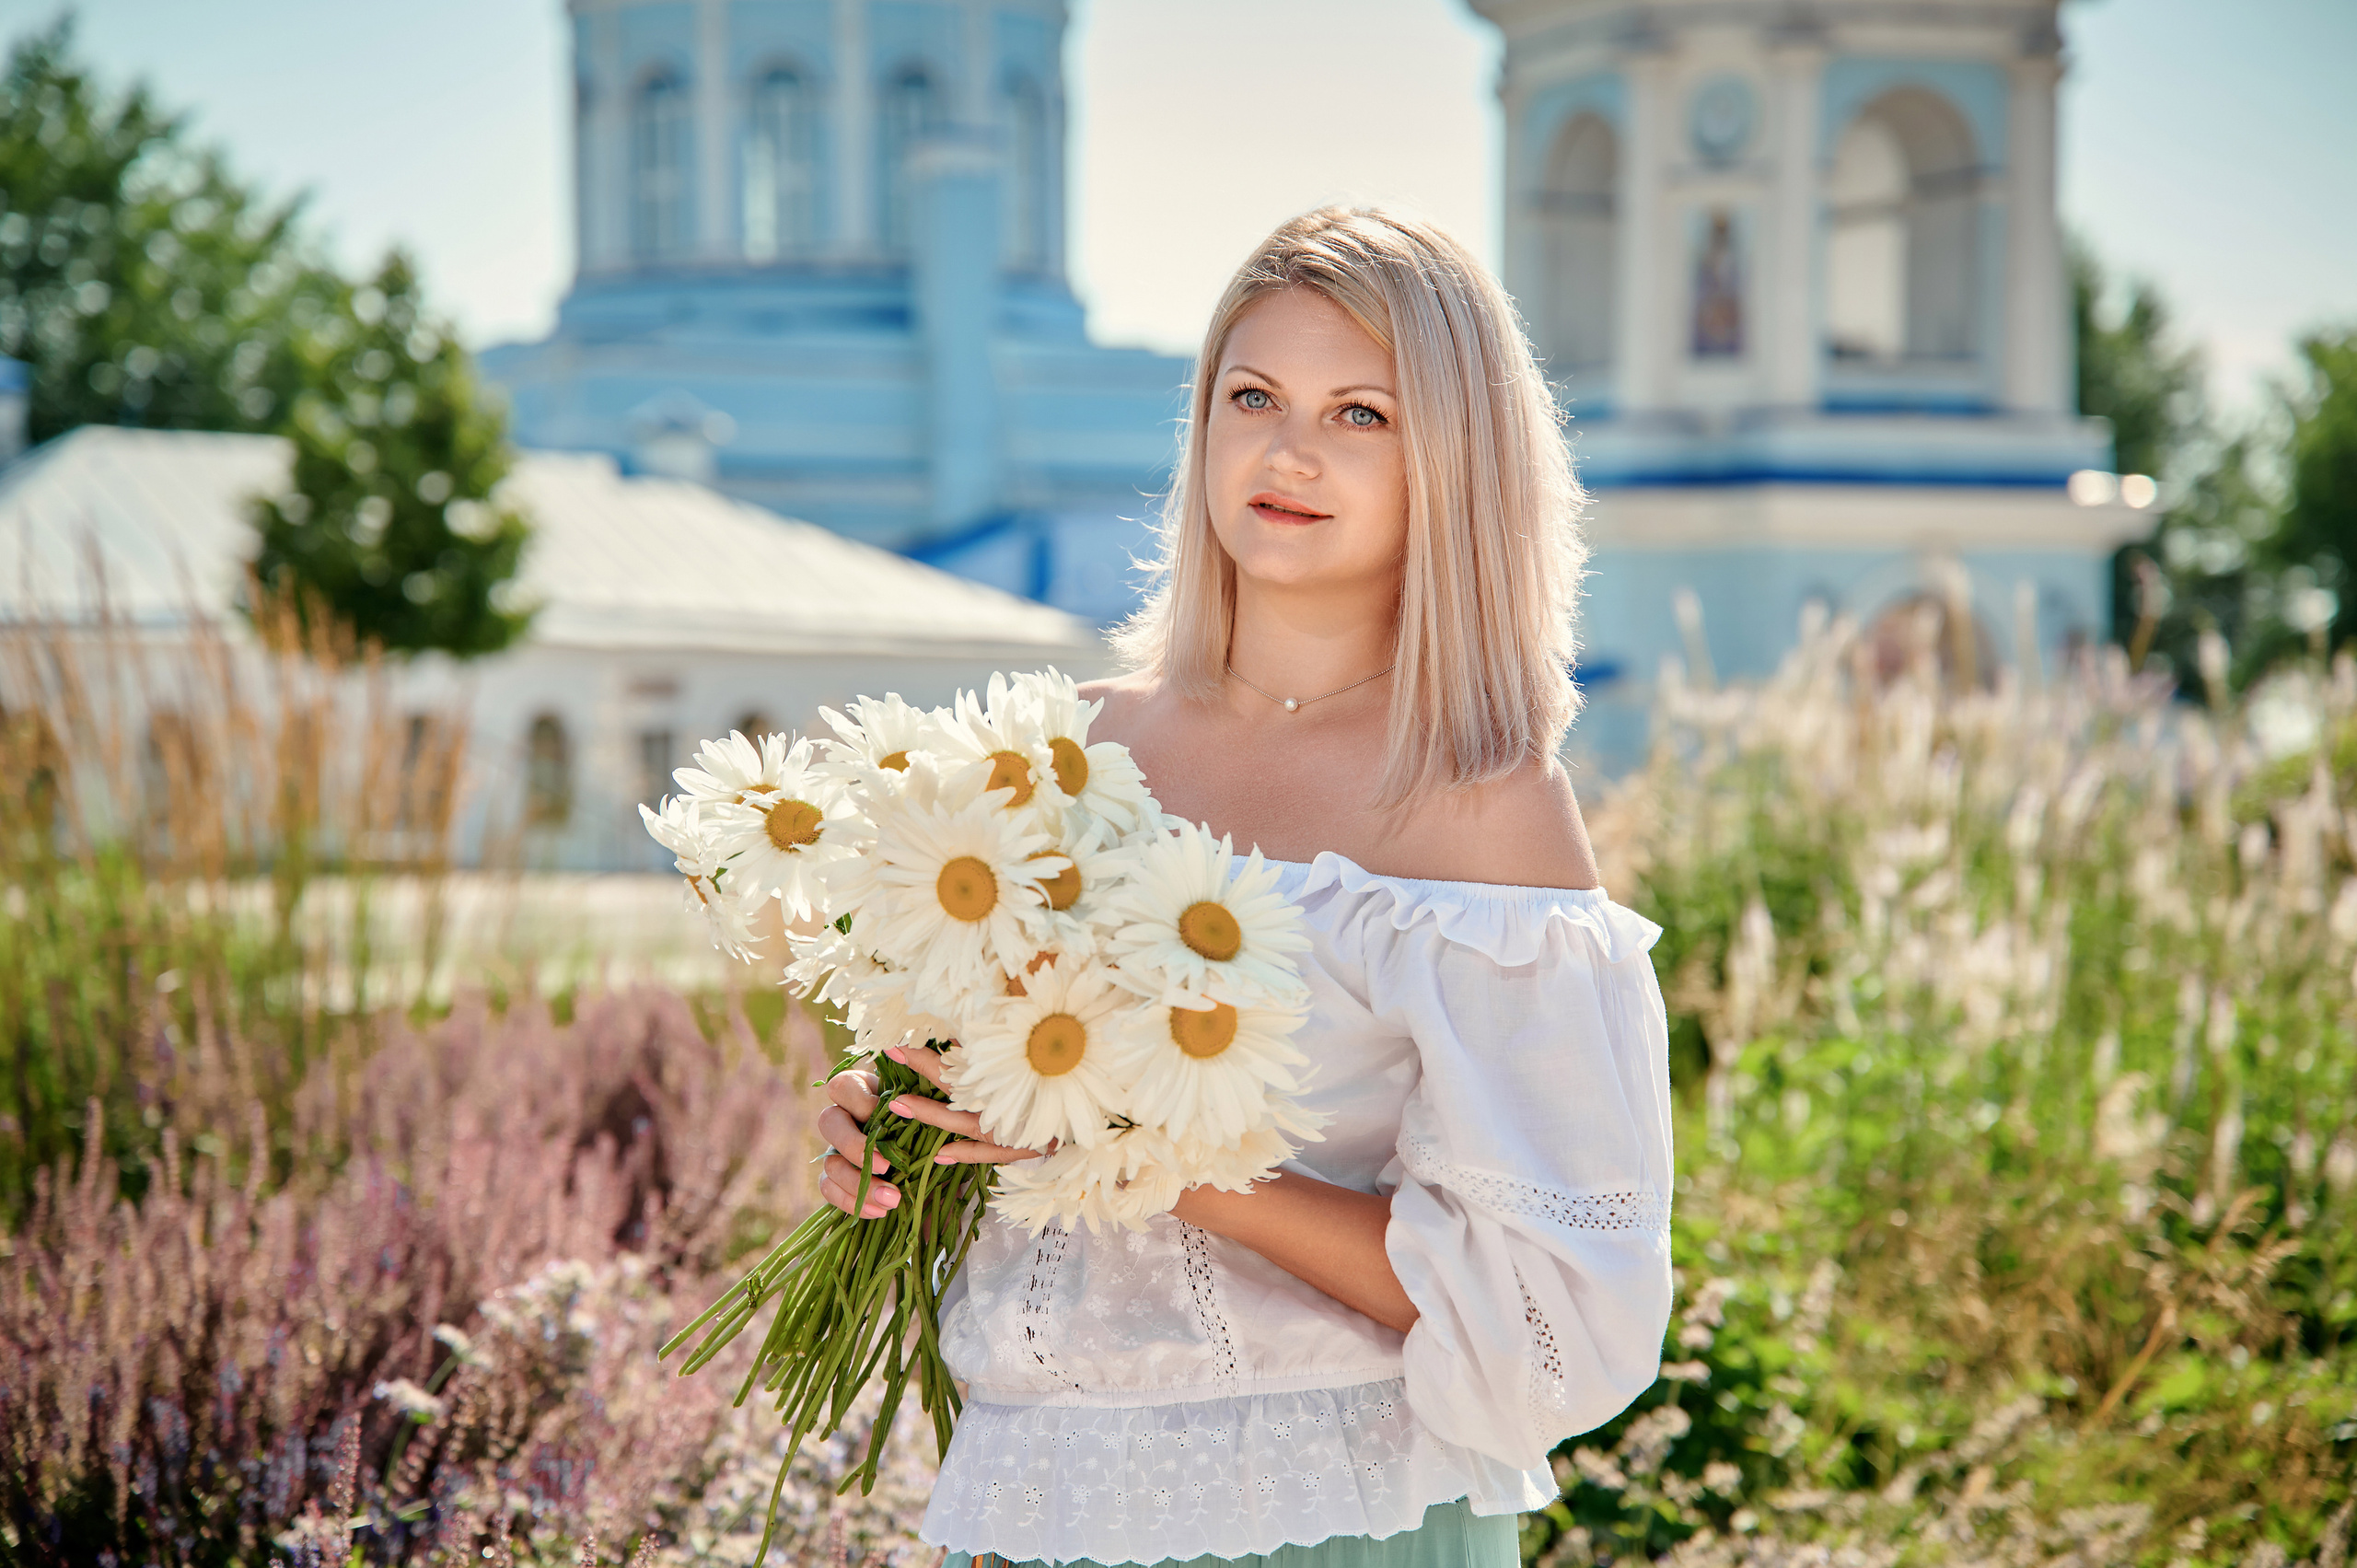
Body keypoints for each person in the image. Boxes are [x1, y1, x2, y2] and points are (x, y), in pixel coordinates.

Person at [819, 206, 1674, 1568]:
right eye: (1254, 396)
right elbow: (1008, 1131)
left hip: (1334, 1515)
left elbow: (1553, 1318)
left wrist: (1142, 1151)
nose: (1288, 451)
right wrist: (910, 1124)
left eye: (1362, 415)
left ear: (1455, 462)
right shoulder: (1066, 754)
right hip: (1034, 1497)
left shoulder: (1482, 806)